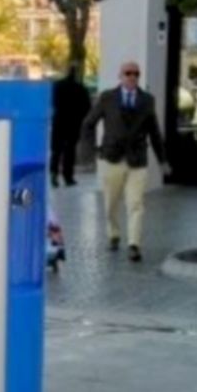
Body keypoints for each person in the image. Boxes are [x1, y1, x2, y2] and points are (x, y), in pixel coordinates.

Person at [82, 61, 171, 263]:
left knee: (136, 204)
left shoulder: (147, 100)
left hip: (137, 160)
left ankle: (134, 244)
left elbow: (154, 133)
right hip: (111, 158)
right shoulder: (107, 98)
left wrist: (163, 160)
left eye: (136, 74)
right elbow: (88, 124)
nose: (132, 77)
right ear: (120, 76)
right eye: (128, 73)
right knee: (110, 204)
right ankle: (113, 234)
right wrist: (95, 150)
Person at [50, 66, 91, 188]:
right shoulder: (81, 88)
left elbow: (52, 102)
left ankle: (54, 173)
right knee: (70, 151)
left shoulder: (57, 86)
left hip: (59, 121)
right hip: (74, 123)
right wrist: (80, 117)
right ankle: (68, 177)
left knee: (56, 150)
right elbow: (86, 107)